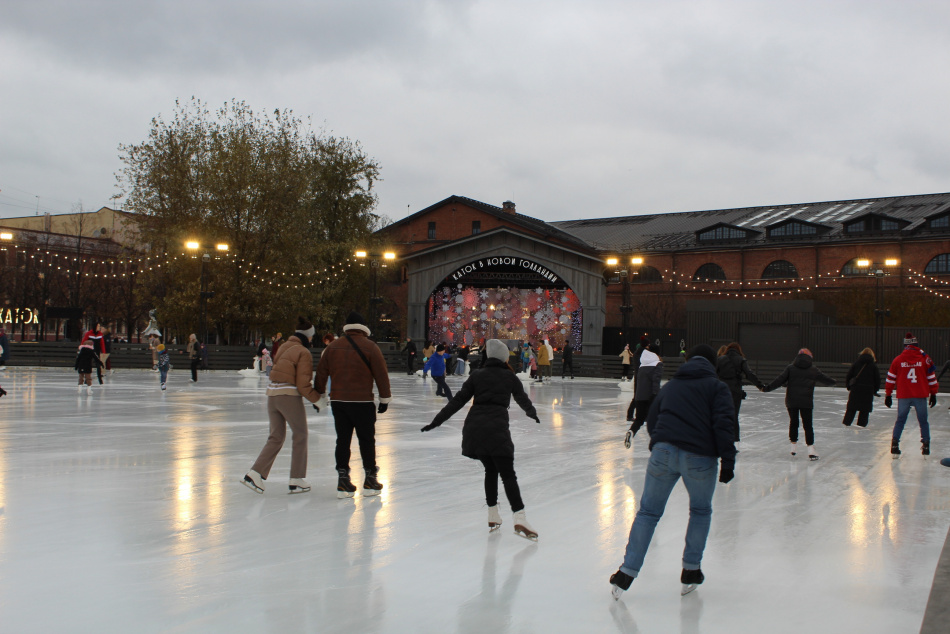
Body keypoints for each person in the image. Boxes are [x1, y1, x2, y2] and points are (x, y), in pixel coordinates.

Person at [609, 344, 736, 600]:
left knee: (648, 513)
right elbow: (724, 424)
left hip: (664, 453)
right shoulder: (717, 388)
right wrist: (728, 460)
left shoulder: (672, 386)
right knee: (700, 511)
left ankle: (626, 573)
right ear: (714, 364)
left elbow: (653, 419)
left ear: (687, 361)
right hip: (700, 457)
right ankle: (691, 571)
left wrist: (659, 443)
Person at [421, 339, 541, 540]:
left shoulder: (477, 375)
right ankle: (519, 516)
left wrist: (436, 422)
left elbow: (458, 402)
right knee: (508, 474)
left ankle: (493, 515)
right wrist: (532, 413)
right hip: (497, 430)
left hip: (474, 430)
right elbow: (523, 400)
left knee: (491, 470)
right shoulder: (509, 377)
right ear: (504, 358)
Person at [314, 312, 393, 498]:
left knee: (342, 440)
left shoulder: (332, 347)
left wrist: (319, 395)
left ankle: (343, 480)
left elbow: (321, 373)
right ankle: (370, 479)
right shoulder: (371, 347)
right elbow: (381, 375)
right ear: (363, 328)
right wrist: (384, 399)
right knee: (366, 440)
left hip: (339, 401)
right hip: (362, 402)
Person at [242, 318, 321, 494]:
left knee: (276, 436)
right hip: (288, 396)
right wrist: (318, 400)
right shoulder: (303, 353)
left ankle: (255, 473)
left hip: (272, 395)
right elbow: (303, 384)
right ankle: (296, 478)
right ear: (308, 337)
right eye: (311, 337)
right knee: (300, 434)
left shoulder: (284, 346)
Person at [762, 348, 835, 460]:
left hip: (792, 401)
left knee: (794, 422)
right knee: (808, 425)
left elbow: (779, 380)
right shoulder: (813, 369)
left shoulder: (790, 368)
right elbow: (826, 379)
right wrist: (833, 381)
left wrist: (767, 388)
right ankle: (811, 449)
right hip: (806, 401)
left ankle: (793, 447)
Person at [884, 332, 938, 457]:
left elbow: (890, 378)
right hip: (920, 394)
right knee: (923, 421)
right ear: (916, 344)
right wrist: (933, 393)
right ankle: (926, 444)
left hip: (904, 395)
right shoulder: (924, 358)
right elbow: (931, 377)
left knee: (900, 420)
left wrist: (888, 394)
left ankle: (895, 444)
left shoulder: (898, 360)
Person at [715, 342, 764, 442]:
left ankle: (720, 438)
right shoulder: (741, 360)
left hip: (721, 390)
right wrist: (760, 385)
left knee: (721, 414)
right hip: (735, 390)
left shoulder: (720, 360)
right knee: (734, 415)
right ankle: (735, 440)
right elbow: (749, 374)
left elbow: (713, 373)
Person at [624, 344, 663, 442]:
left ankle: (631, 432)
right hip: (651, 397)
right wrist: (656, 396)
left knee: (639, 419)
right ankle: (657, 442)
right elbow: (656, 381)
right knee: (657, 420)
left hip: (639, 396)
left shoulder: (642, 364)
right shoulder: (657, 364)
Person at [842, 347, 881, 428]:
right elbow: (877, 379)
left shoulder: (856, 363)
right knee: (864, 410)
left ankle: (846, 424)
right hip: (868, 390)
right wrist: (875, 390)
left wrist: (849, 386)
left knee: (852, 408)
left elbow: (849, 375)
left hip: (856, 389)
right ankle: (861, 426)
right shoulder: (873, 366)